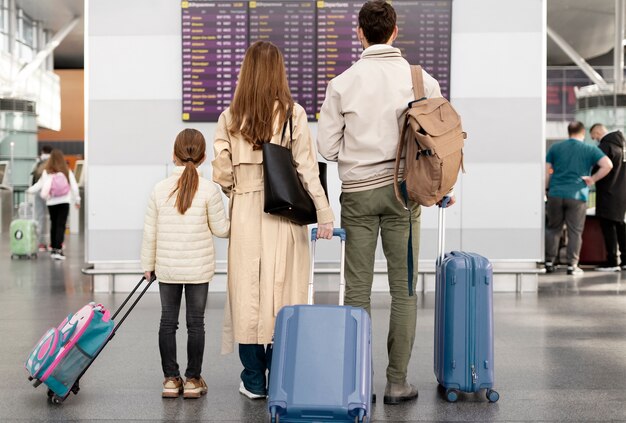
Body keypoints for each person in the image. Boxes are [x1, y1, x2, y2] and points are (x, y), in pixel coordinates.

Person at [317, 0, 453, 405]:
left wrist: (356, 150)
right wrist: (440, 186)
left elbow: (326, 146)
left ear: (360, 33)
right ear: (395, 31)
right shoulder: (421, 80)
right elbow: (440, 141)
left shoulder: (342, 82)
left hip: (357, 194)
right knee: (404, 290)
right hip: (404, 194)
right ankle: (397, 383)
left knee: (356, 290)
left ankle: (356, 382)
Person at [212, 41, 334, 400]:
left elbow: (221, 173)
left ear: (246, 72)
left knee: (247, 292)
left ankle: (253, 380)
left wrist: (239, 187)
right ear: (279, 71)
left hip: (247, 211)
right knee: (284, 292)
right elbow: (307, 171)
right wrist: (323, 214)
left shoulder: (230, 116)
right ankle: (281, 373)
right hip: (284, 214)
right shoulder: (293, 113)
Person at [141, 128, 230, 399]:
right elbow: (222, 229)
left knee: (168, 322)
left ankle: (170, 380)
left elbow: (150, 231)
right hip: (197, 269)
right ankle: (192, 381)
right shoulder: (209, 190)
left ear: (174, 155)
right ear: (203, 157)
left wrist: (148, 264)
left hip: (167, 267)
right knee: (196, 324)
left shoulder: (159, 189)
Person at [545, 121, 612, 275]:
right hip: (577, 195)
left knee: (553, 229)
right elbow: (607, 164)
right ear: (583, 132)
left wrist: (546, 189)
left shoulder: (555, 148)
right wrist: (593, 179)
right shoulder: (589, 149)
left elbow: (546, 171)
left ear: (569, 132)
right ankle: (572, 265)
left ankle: (549, 262)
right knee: (574, 231)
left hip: (555, 193)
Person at [27, 149, 80, 260]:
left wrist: (28, 190)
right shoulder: (66, 171)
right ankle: (58, 250)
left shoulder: (47, 172)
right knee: (61, 225)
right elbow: (74, 187)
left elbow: (39, 185)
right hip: (64, 201)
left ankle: (53, 249)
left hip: (51, 202)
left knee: (54, 224)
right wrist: (77, 200)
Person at [589, 123, 626, 271]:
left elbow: (597, 167)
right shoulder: (622, 147)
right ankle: (624, 260)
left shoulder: (605, 146)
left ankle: (612, 261)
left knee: (608, 226)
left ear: (598, 132)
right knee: (621, 226)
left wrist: (592, 177)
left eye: (594, 136)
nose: (594, 139)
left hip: (608, 193)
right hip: (622, 193)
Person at [31, 145, 52, 251]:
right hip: (51, 194)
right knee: (52, 218)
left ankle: (41, 243)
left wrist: (30, 190)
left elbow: (35, 177)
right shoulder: (54, 163)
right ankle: (53, 243)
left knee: (40, 217)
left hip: (40, 193)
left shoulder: (39, 163)